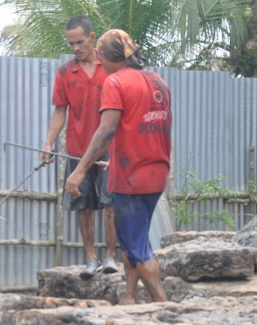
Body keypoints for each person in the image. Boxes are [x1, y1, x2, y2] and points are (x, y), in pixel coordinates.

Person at [65, 29, 172, 304]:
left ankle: (166, 308)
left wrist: (79, 171)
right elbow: (149, 128)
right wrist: (116, 158)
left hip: (132, 178)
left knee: (137, 245)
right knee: (132, 238)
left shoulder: (116, 82)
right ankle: (129, 296)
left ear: (104, 55)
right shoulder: (158, 81)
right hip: (156, 173)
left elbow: (105, 131)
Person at [41, 16, 118, 279]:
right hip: (77, 149)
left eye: (80, 42)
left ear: (93, 38)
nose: (75, 47)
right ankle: (90, 259)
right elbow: (59, 111)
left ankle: (110, 257)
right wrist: (49, 142)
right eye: (71, 43)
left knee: (111, 202)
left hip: (110, 148)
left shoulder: (110, 67)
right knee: (81, 202)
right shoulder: (65, 71)